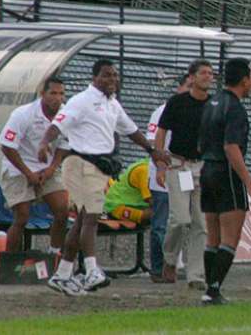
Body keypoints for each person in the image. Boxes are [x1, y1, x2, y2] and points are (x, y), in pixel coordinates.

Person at [40, 59, 166, 296]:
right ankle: (91, 270)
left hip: (98, 167)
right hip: (80, 164)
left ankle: (62, 274)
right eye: (107, 75)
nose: (113, 80)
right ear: (95, 78)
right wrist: (45, 142)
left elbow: (131, 131)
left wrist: (153, 151)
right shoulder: (82, 101)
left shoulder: (112, 104)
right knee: (90, 218)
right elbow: (58, 124)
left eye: (115, 75)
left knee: (82, 221)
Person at [198, 58, 251, 305]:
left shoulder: (211, 103)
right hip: (226, 173)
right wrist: (250, 184)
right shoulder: (235, 108)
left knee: (212, 236)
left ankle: (209, 288)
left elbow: (202, 141)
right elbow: (231, 147)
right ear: (245, 80)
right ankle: (212, 290)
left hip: (208, 170)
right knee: (230, 236)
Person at [154, 60, 212, 289]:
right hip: (178, 165)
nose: (208, 77)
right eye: (203, 73)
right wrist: (160, 162)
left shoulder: (213, 105)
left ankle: (196, 274)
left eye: (211, 73)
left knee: (201, 223)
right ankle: (169, 259)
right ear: (192, 77)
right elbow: (161, 132)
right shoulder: (177, 102)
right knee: (180, 219)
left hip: (202, 167)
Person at [0, 77, 69, 253]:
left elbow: (64, 146)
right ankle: (10, 263)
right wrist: (29, 173)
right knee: (22, 217)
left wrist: (52, 168)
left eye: (61, 93)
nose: (58, 98)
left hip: (47, 169)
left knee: (62, 211)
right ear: (42, 93)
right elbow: (7, 147)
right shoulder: (23, 114)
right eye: (53, 93)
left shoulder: (66, 115)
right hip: (18, 168)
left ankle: (54, 255)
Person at [146, 74, 191, 283]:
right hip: (164, 174)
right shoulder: (163, 111)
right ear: (179, 88)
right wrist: (161, 168)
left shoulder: (197, 110)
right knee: (162, 222)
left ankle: (178, 262)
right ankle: (158, 267)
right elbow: (154, 143)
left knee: (185, 219)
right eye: (188, 86)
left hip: (186, 172)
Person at [103, 159, 153, 224]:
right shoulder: (144, 170)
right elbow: (150, 200)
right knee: (157, 212)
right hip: (117, 206)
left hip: (135, 204)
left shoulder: (151, 167)